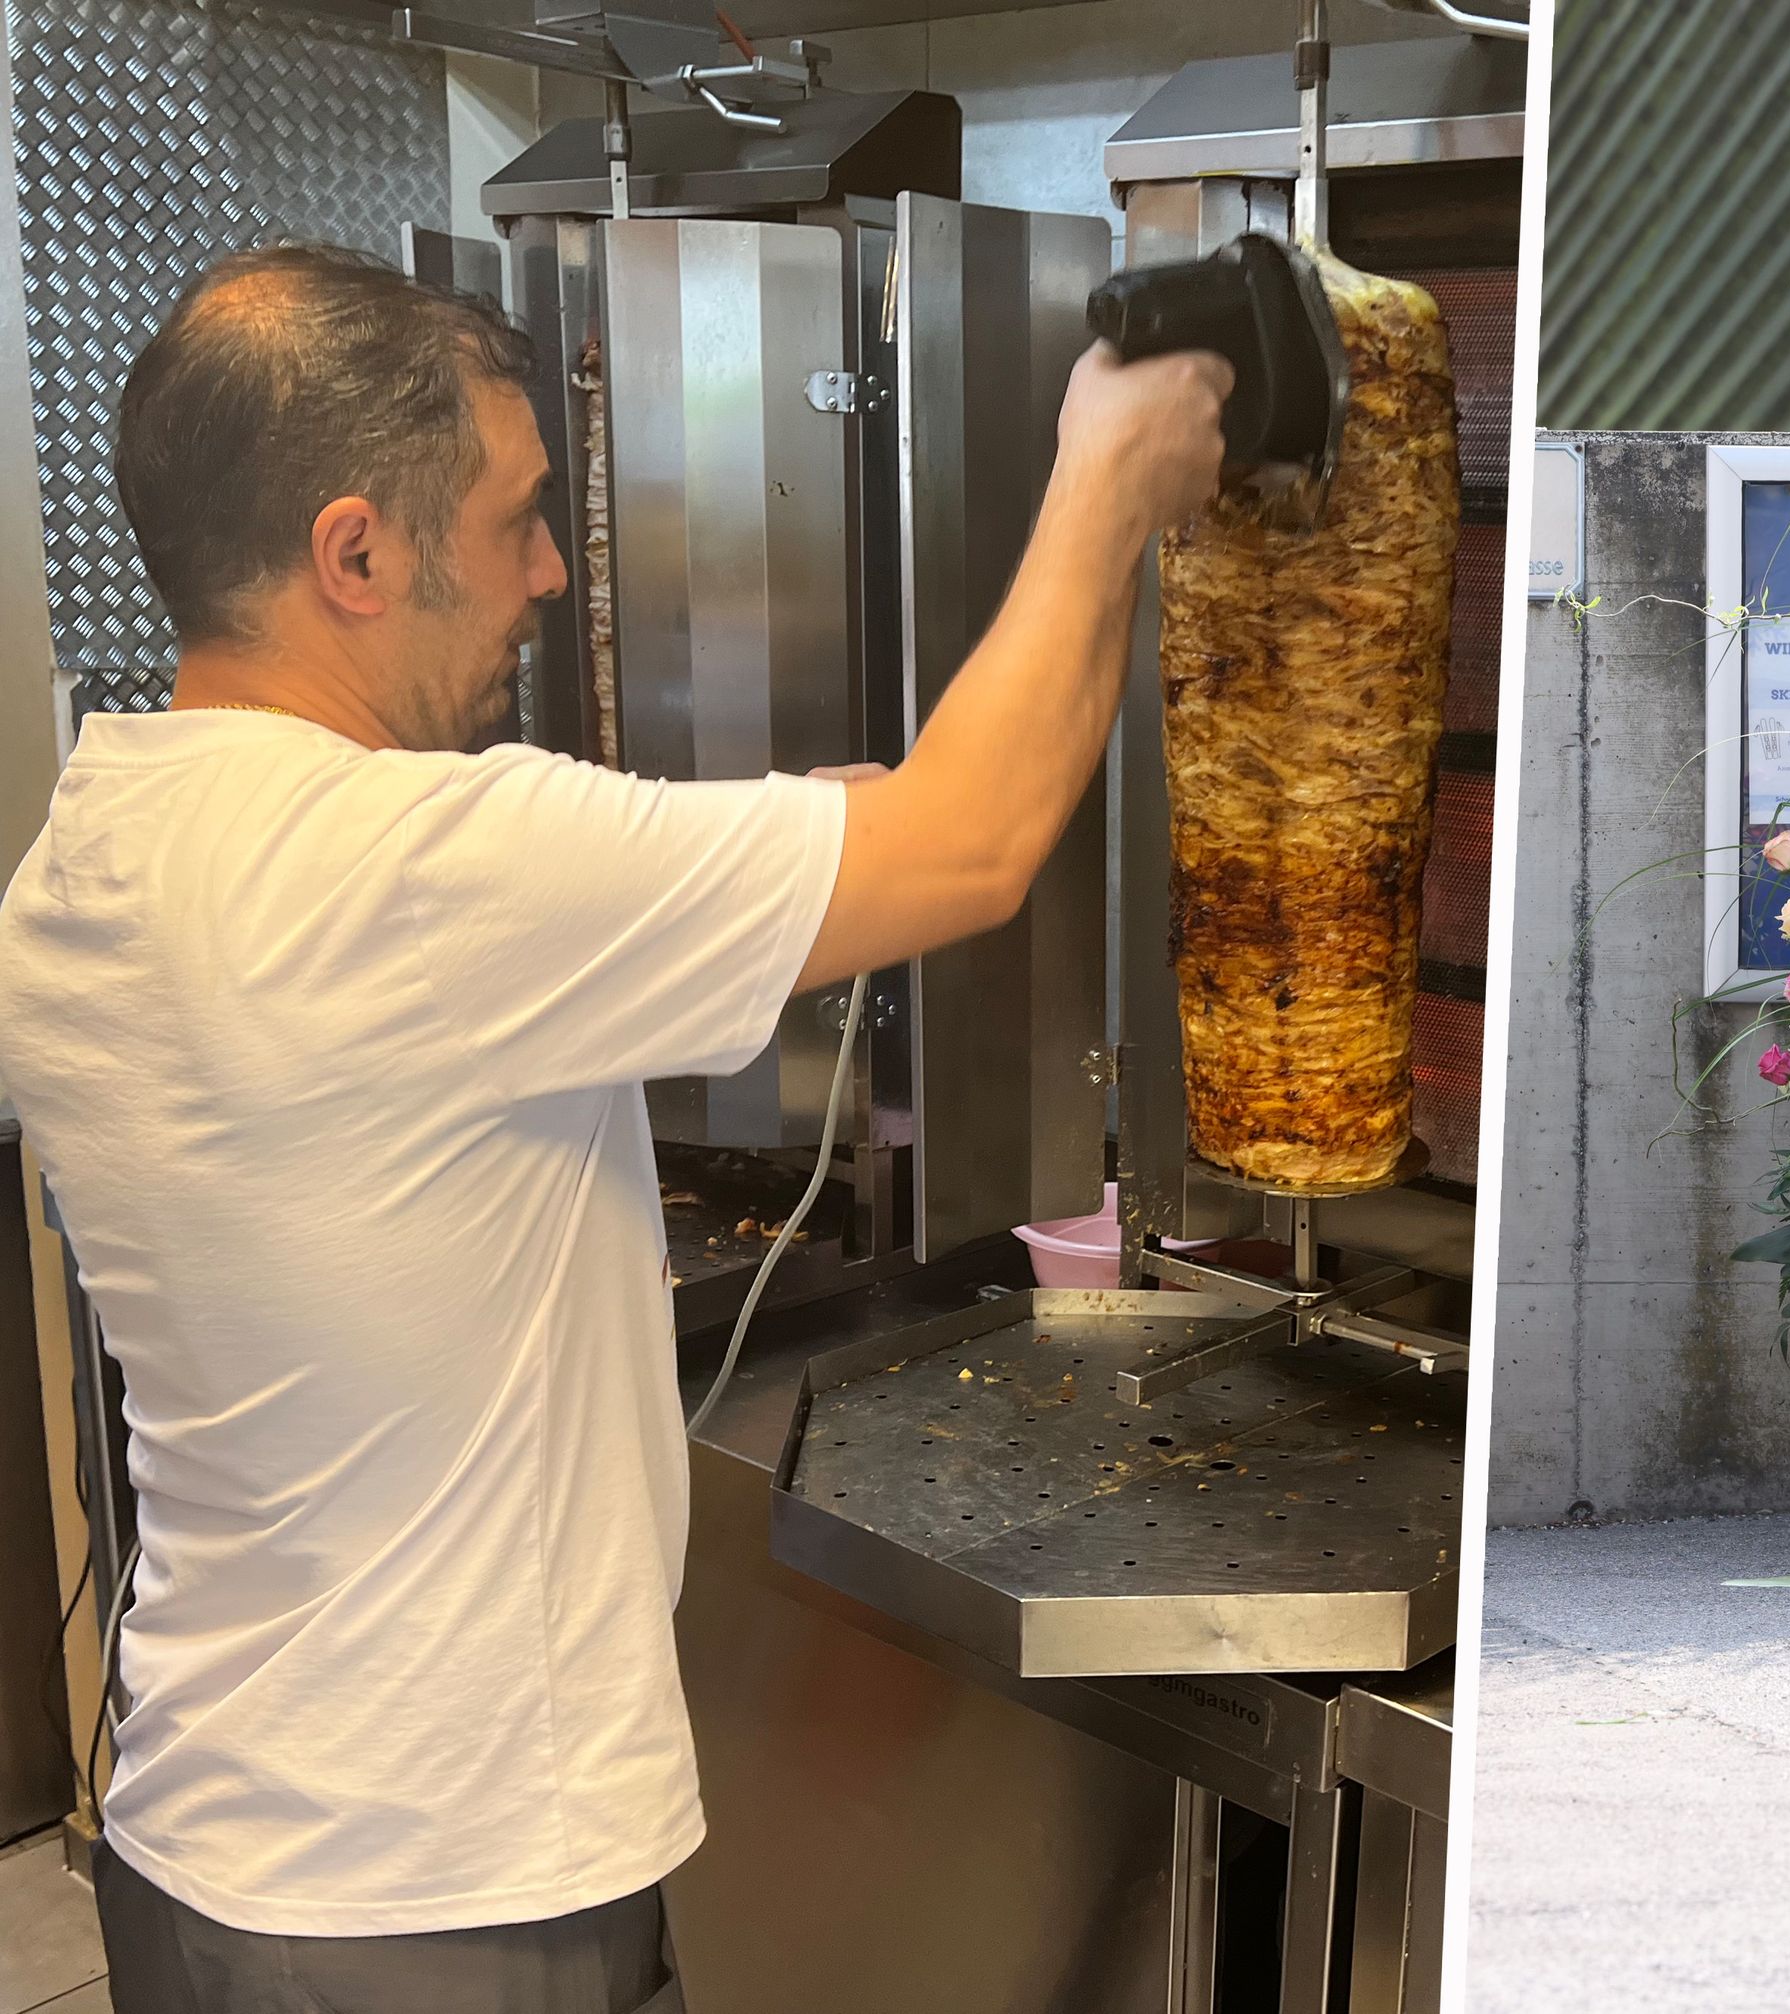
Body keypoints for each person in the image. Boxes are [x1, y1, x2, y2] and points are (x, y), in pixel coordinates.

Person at [0, 243, 1227, 2013]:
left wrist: (780, 843)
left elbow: (516, 933)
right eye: (510, 520)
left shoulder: (91, 855)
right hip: (448, 1899)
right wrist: (1109, 471)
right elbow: (975, 843)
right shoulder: (428, 870)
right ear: (354, 554)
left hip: (207, 1855)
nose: (551, 571)